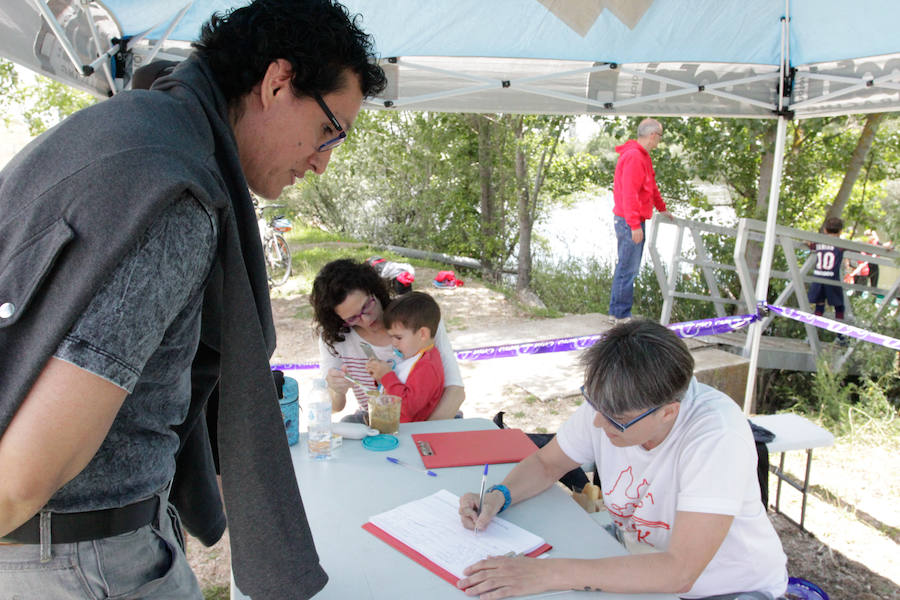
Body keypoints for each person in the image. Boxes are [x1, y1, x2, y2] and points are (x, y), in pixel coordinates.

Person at [0, 1, 386, 599]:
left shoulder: (119, 131)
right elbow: (21, 477)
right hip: (81, 560)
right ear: (278, 83)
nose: (323, 162)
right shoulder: (171, 196)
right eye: (330, 130)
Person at [458, 320, 788, 600]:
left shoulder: (716, 438)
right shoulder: (614, 403)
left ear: (668, 412)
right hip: (641, 563)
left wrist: (545, 573)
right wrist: (499, 496)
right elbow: (547, 464)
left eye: (616, 419)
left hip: (728, 588)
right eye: (595, 407)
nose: (599, 424)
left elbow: (680, 571)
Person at [311, 259, 465, 423]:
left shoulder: (417, 319)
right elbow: (335, 407)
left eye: (366, 306)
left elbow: (455, 392)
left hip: (431, 419)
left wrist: (423, 434)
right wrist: (337, 390)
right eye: (353, 318)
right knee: (347, 424)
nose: (366, 319)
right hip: (377, 419)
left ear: (374, 290)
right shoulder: (335, 338)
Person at [609, 118, 672, 320]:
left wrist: (662, 208)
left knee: (628, 267)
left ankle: (617, 313)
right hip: (629, 221)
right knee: (628, 268)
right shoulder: (635, 157)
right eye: (659, 137)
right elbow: (629, 193)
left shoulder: (643, 156)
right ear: (653, 135)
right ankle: (620, 315)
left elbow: (650, 187)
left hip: (632, 219)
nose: (659, 142)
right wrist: (635, 224)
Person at [366, 291, 445, 422]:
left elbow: (406, 408)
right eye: (391, 337)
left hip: (406, 433)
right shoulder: (415, 356)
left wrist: (386, 376)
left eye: (398, 337)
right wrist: (380, 378)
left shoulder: (427, 366)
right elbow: (399, 386)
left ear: (423, 334)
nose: (394, 343)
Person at [808, 217, 848, 324]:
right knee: (839, 306)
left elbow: (809, 244)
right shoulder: (840, 245)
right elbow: (858, 248)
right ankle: (840, 336)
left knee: (819, 305)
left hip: (818, 277)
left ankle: (813, 333)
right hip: (832, 278)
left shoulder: (818, 243)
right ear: (840, 231)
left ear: (825, 230)